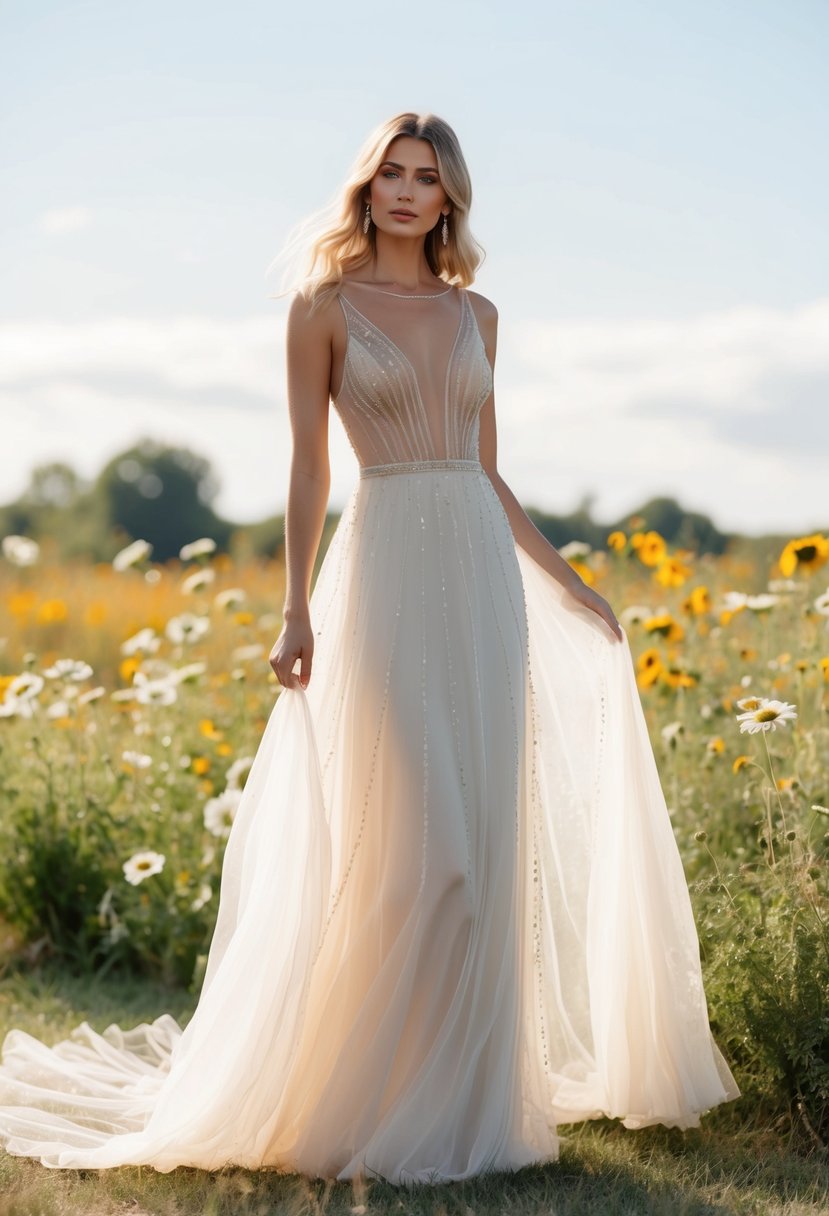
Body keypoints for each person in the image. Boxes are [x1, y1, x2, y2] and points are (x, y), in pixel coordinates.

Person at [0, 111, 739, 1186]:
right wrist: (293, 608)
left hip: (481, 578)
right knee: (411, 844)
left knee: (481, 843)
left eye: (425, 177)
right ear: (366, 187)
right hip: (383, 573)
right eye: (389, 172)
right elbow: (308, 469)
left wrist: (570, 583)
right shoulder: (323, 307)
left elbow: (487, 471)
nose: (403, 191)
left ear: (450, 199)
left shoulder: (480, 311)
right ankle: (373, 1092)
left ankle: (468, 1105)